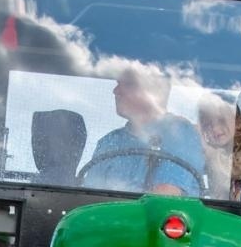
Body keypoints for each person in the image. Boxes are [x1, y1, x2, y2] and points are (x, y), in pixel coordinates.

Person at [84, 65, 203, 196]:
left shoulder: (179, 132)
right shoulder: (108, 142)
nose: (116, 91)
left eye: (128, 84)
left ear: (153, 92)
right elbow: (89, 198)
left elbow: (164, 198)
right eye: (117, 84)